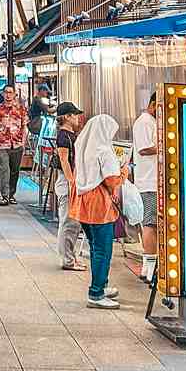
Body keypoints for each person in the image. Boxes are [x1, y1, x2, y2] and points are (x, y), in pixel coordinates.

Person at [73, 113, 123, 309]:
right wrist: (125, 171)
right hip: (100, 204)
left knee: (94, 247)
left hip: (83, 202)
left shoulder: (83, 146)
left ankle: (101, 284)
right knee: (103, 250)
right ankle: (96, 293)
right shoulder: (104, 151)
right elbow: (112, 181)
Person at [54, 101, 86, 270]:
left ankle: (70, 257)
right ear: (67, 117)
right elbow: (64, 160)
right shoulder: (63, 136)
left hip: (71, 182)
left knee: (73, 223)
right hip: (67, 183)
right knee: (68, 222)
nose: (77, 118)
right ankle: (67, 260)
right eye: (74, 115)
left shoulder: (70, 134)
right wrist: (72, 182)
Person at [132, 91, 159, 284]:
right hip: (148, 182)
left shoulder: (152, 122)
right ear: (153, 103)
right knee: (149, 224)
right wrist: (167, 144)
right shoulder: (144, 122)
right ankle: (149, 268)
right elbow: (143, 148)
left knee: (153, 225)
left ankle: (150, 266)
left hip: (154, 181)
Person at [0, 86, 28, 205]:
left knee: (15, 171)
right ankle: (5, 196)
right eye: (6, 92)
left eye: (10, 92)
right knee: (4, 170)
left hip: (17, 144)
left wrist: (23, 142)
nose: (8, 95)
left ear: (14, 94)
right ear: (2, 94)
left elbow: (24, 126)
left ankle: (12, 194)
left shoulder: (21, 109)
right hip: (2, 144)